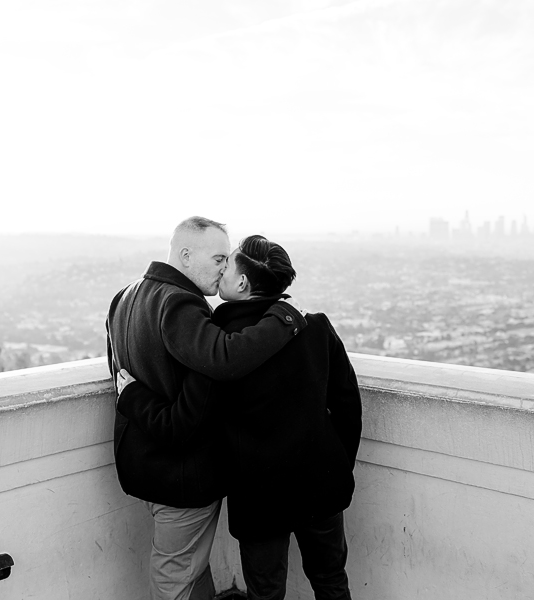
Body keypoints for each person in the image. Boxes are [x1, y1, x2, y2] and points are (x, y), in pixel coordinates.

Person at [116, 234, 362, 600]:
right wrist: (338, 464)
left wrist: (132, 395)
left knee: (264, 593)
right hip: (322, 482)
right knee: (331, 581)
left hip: (259, 497)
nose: (220, 271)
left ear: (243, 283)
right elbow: (347, 407)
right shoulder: (315, 328)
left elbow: (190, 419)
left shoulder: (217, 345)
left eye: (225, 263)